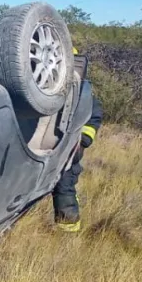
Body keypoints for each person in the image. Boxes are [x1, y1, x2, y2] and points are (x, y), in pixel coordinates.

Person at [52, 51, 102, 233]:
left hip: (69, 150)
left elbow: (94, 117)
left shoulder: (82, 92)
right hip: (44, 149)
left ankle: (68, 232)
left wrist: (82, 142)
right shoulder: (37, 87)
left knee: (64, 189)